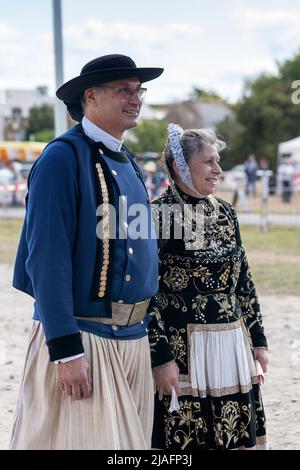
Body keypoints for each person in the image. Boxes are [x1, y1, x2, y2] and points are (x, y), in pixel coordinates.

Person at [9, 54, 178, 450]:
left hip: (133, 340)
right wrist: (66, 351)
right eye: (124, 90)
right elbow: (47, 260)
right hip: (86, 336)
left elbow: (142, 262)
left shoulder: (132, 163)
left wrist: (158, 351)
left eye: (139, 91)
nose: (136, 99)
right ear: (91, 97)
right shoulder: (61, 158)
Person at [149, 124, 269, 450]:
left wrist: (258, 341)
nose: (218, 170)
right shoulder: (159, 215)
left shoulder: (226, 212)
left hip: (231, 345)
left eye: (218, 161)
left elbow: (242, 279)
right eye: (209, 162)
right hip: (184, 353)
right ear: (180, 166)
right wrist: (161, 358)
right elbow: (147, 295)